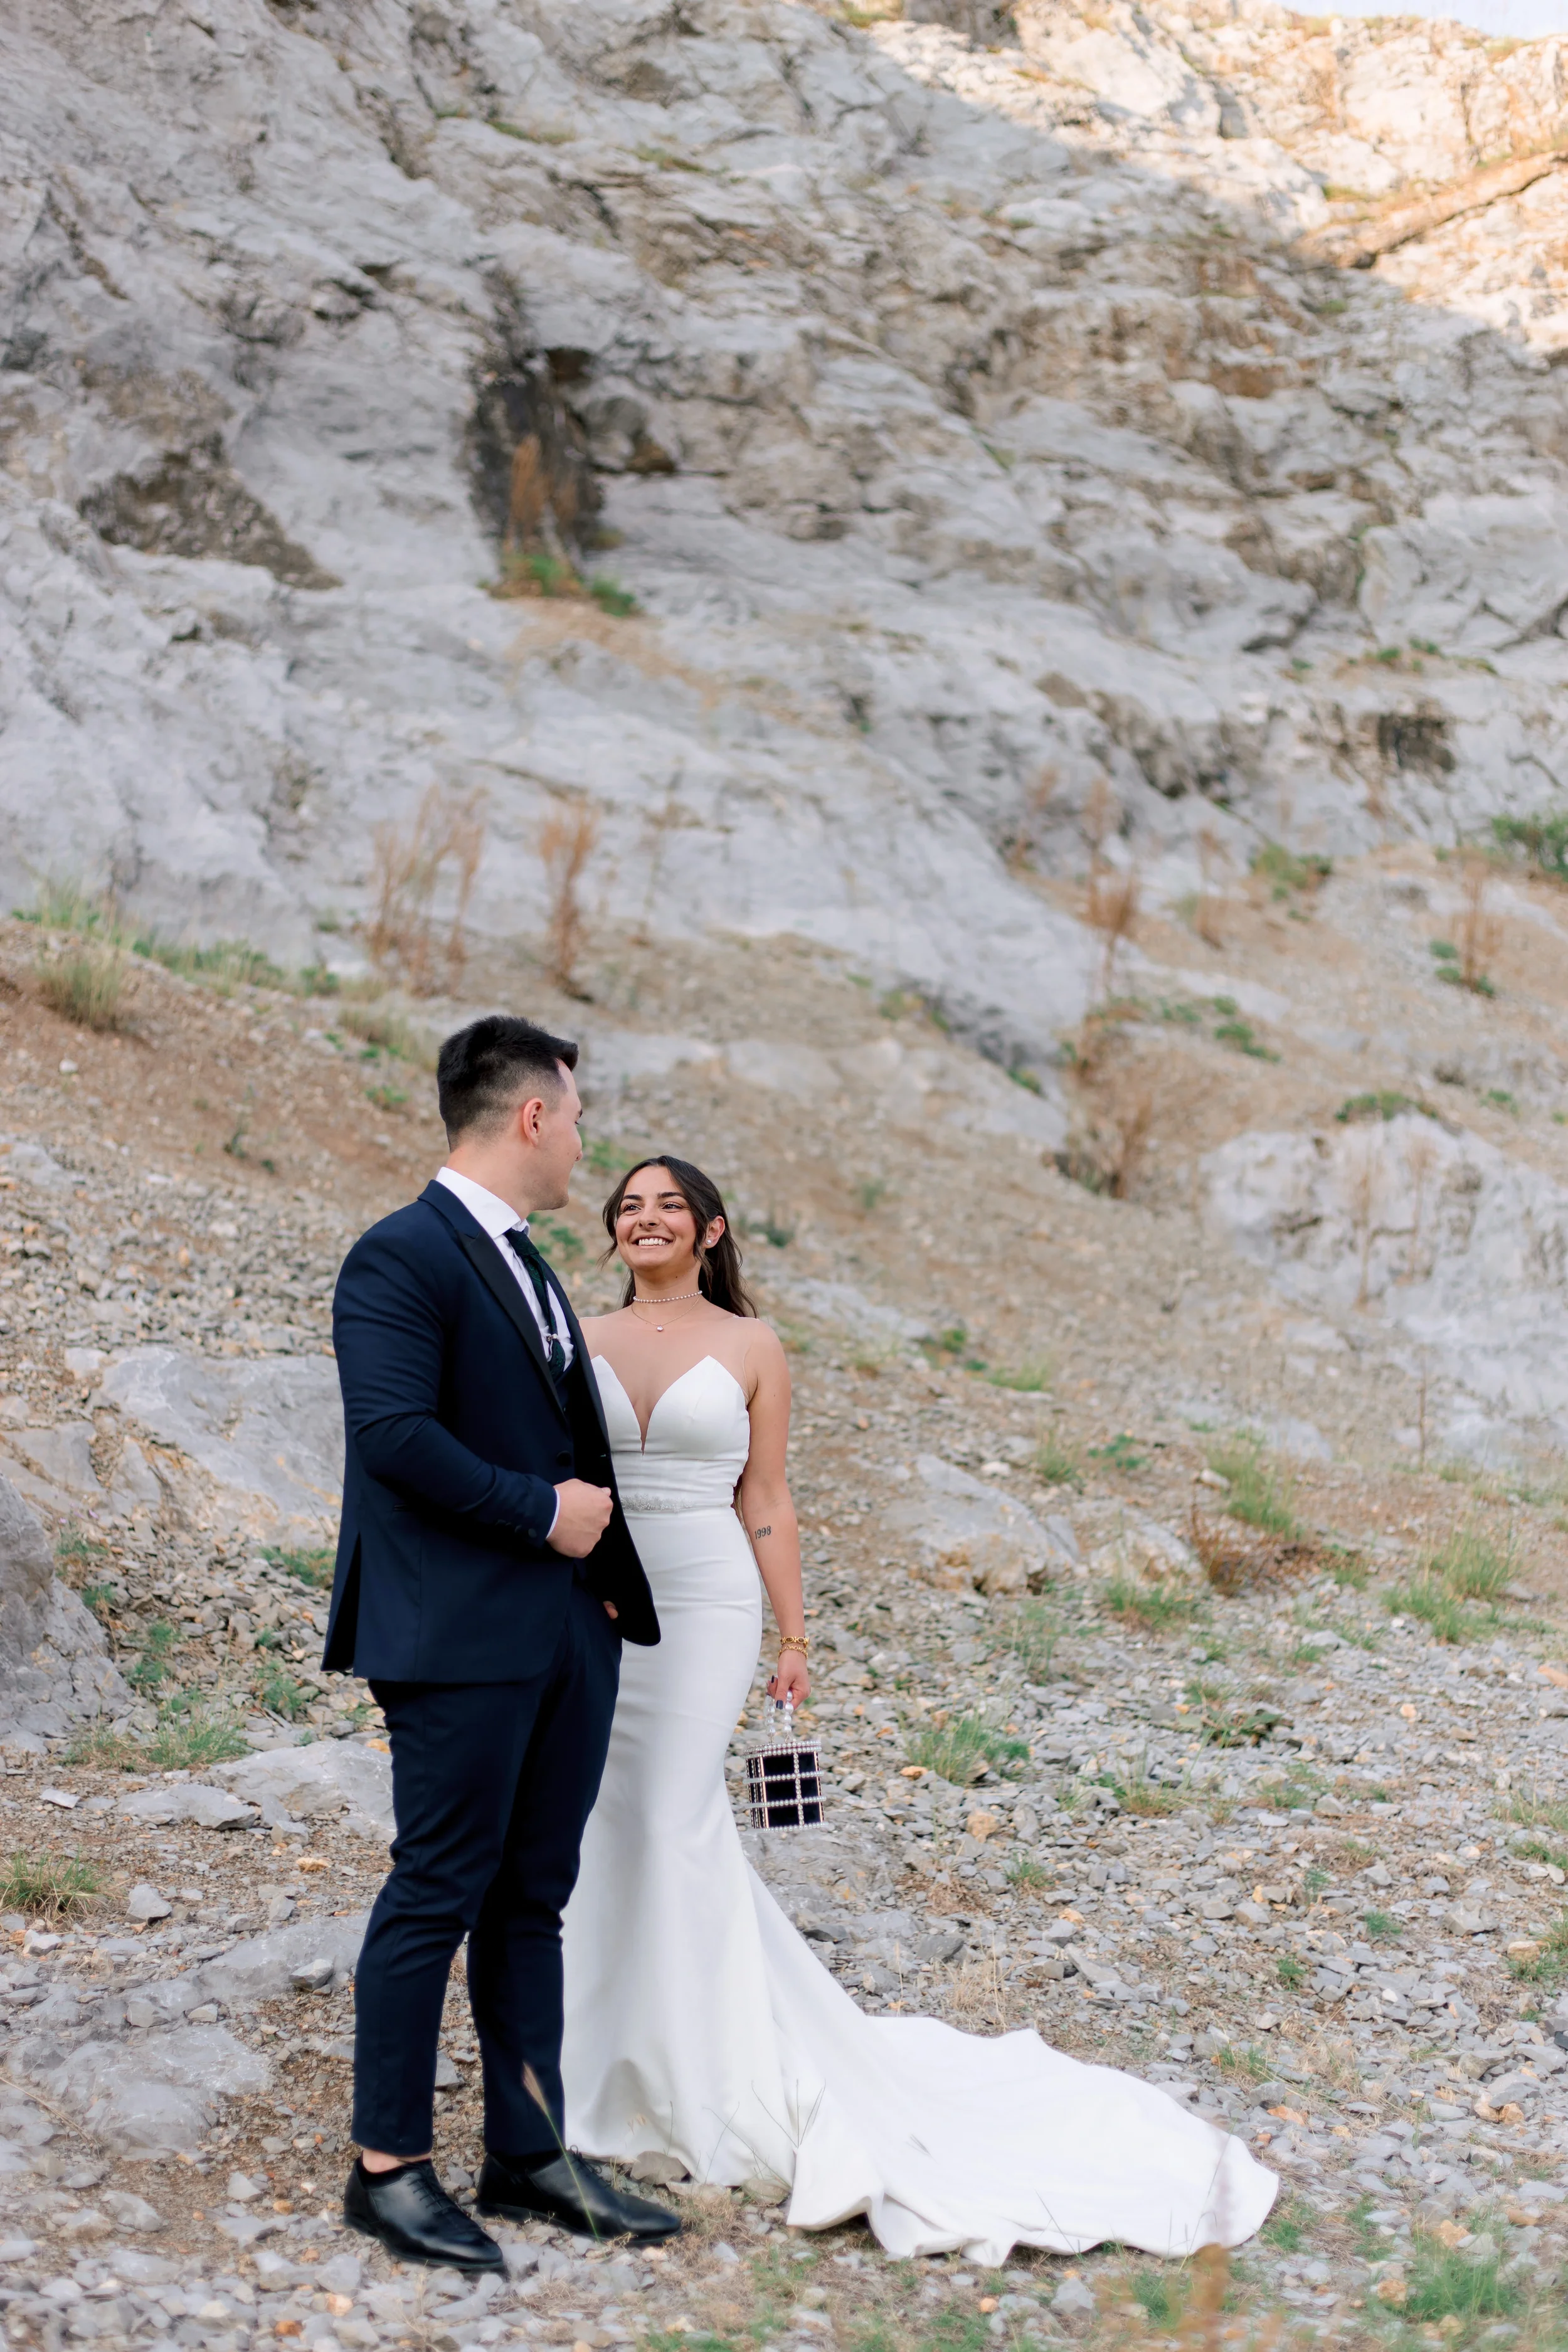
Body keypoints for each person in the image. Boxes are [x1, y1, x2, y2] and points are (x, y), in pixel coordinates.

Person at [561, 1155, 1277, 2262]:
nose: (643, 1219)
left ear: (709, 1230)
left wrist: (794, 1634)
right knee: (603, 1817)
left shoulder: (752, 1345)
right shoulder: (581, 1334)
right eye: (628, 1207)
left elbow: (767, 1498)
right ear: (613, 1233)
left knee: (672, 1814)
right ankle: (599, 2053)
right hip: (604, 1597)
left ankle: (707, 2070)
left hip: (705, 1596)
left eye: (667, 1206)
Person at [324, 1017, 681, 2272]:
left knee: (533, 1896)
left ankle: (526, 2150)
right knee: (437, 1888)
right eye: (576, 1118)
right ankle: (389, 2169)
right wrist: (544, 1511)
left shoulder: (530, 1267)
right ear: (531, 1116)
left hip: (559, 1634)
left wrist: (593, 1592)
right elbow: (392, 1437)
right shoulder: (398, 1257)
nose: (584, 1143)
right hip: (453, 1634)